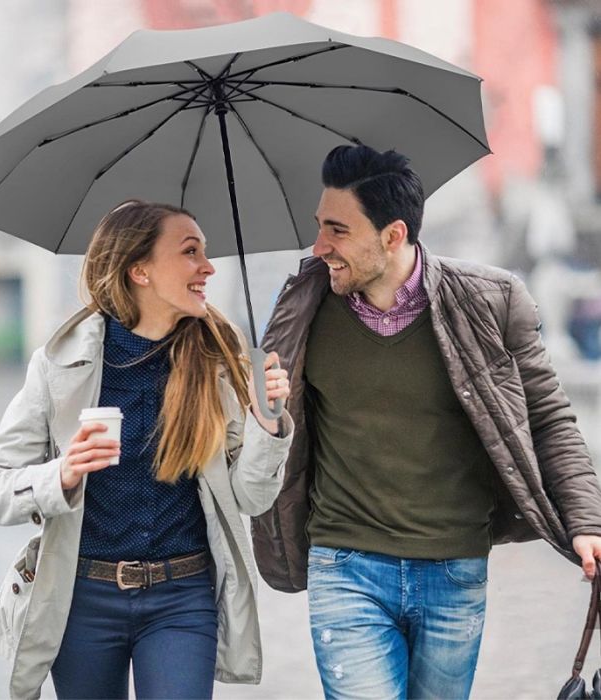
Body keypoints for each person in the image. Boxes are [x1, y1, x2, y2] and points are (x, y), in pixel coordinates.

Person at [250, 145, 601, 699]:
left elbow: (549, 419)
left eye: (337, 231)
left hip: (453, 569)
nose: (320, 247)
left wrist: (586, 521)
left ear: (392, 235)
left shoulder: (491, 300)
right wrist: (265, 406)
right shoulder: (304, 304)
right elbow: (270, 434)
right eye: (320, 227)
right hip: (345, 565)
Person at [0, 199, 293, 700]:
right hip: (82, 598)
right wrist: (61, 474)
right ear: (139, 270)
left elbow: (251, 499)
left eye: (205, 252)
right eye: (190, 252)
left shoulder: (218, 362)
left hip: (183, 597)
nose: (208, 267)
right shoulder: (59, 365)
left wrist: (266, 423)